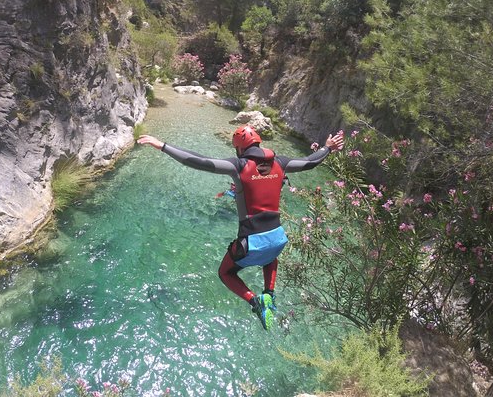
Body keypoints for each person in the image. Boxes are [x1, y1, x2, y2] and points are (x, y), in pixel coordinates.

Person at [137, 125, 344, 330]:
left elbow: (199, 161)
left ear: (239, 148)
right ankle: (269, 295)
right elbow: (310, 162)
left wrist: (162, 145)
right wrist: (327, 148)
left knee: (225, 273)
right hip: (278, 239)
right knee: (270, 255)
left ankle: (255, 302)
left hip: (250, 243)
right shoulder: (280, 162)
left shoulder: (239, 165)